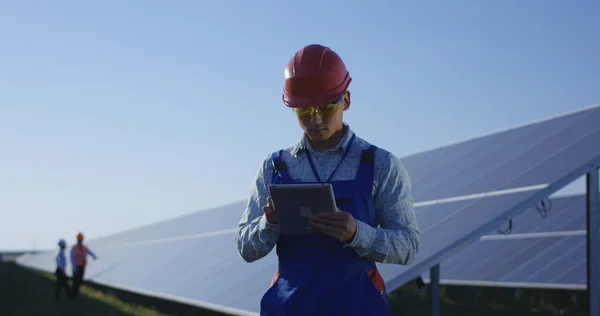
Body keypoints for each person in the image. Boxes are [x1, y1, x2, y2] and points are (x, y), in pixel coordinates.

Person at [235, 44, 420, 316]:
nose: (316, 119)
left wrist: (357, 233)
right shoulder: (273, 167)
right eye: (304, 111)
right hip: (289, 308)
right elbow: (246, 248)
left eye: (325, 107)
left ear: (346, 100)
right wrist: (270, 222)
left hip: (357, 307)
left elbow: (408, 247)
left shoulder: (380, 165)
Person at [70, 232, 97, 297]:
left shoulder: (84, 247)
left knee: (80, 280)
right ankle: (73, 293)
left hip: (82, 266)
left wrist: (94, 256)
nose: (80, 240)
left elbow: (89, 252)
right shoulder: (74, 247)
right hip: (76, 267)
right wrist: (74, 267)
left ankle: (76, 292)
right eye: (80, 239)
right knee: (76, 280)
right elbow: (72, 258)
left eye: (81, 239)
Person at [55, 239, 72, 303]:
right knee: (64, 285)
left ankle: (58, 298)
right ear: (62, 246)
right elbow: (60, 264)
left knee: (61, 285)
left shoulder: (60, 252)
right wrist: (63, 272)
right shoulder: (61, 253)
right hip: (60, 271)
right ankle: (69, 297)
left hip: (60, 271)